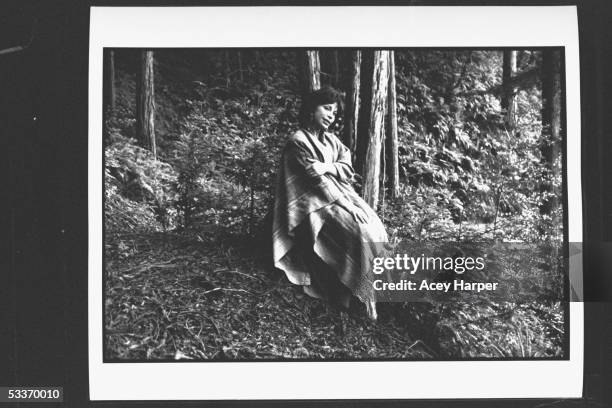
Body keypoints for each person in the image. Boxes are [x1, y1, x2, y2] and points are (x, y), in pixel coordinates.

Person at [272, 87, 388, 320]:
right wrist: (347, 206)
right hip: (314, 203)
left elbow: (347, 168)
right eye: (326, 109)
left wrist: (327, 167)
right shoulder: (298, 141)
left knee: (376, 227)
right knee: (358, 230)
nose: (331, 116)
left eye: (334, 112)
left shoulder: (332, 141)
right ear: (311, 109)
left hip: (341, 194)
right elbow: (317, 183)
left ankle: (371, 292)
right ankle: (360, 298)